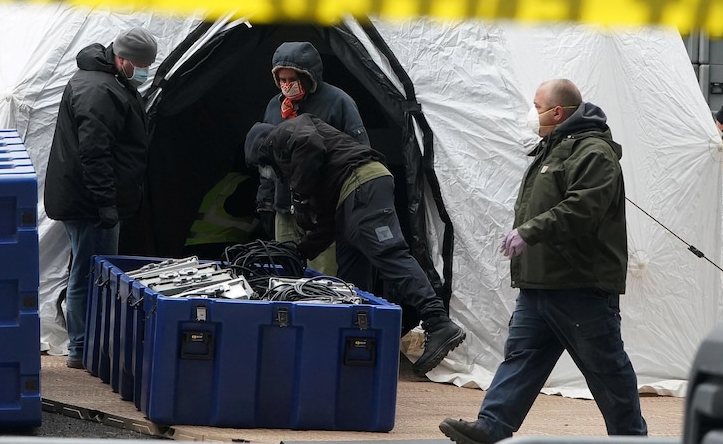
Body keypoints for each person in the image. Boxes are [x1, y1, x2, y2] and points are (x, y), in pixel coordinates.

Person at [439, 79, 646, 444]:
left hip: (580, 285)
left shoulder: (594, 153)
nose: (532, 114)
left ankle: (630, 438)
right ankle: (491, 427)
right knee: (521, 359)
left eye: (537, 107)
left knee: (607, 370)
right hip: (540, 283)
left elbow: (583, 209)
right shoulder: (554, 149)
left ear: (558, 112)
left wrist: (529, 232)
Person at [244, 113, 465, 376]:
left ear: (261, 150)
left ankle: (437, 321)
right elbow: (328, 222)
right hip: (352, 194)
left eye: (263, 166)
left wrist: (300, 199)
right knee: (350, 278)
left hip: (362, 185)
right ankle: (357, 343)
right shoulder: (314, 168)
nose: (268, 173)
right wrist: (300, 251)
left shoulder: (282, 135)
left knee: (389, 253)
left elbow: (309, 143)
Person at [44, 26, 157, 369]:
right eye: (139, 64)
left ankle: (87, 345)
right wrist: (105, 202)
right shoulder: (99, 89)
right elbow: (94, 153)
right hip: (90, 203)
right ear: (121, 58)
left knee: (86, 268)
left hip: (85, 198)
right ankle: (82, 348)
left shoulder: (109, 82)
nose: (142, 70)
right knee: (90, 274)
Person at [258, 41, 368, 276]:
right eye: (282, 80)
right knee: (285, 275)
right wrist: (265, 200)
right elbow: (267, 160)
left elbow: (360, 155)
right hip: (284, 209)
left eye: (292, 79)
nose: (287, 86)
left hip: (322, 211)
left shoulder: (339, 102)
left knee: (322, 278)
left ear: (308, 76)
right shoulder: (273, 106)